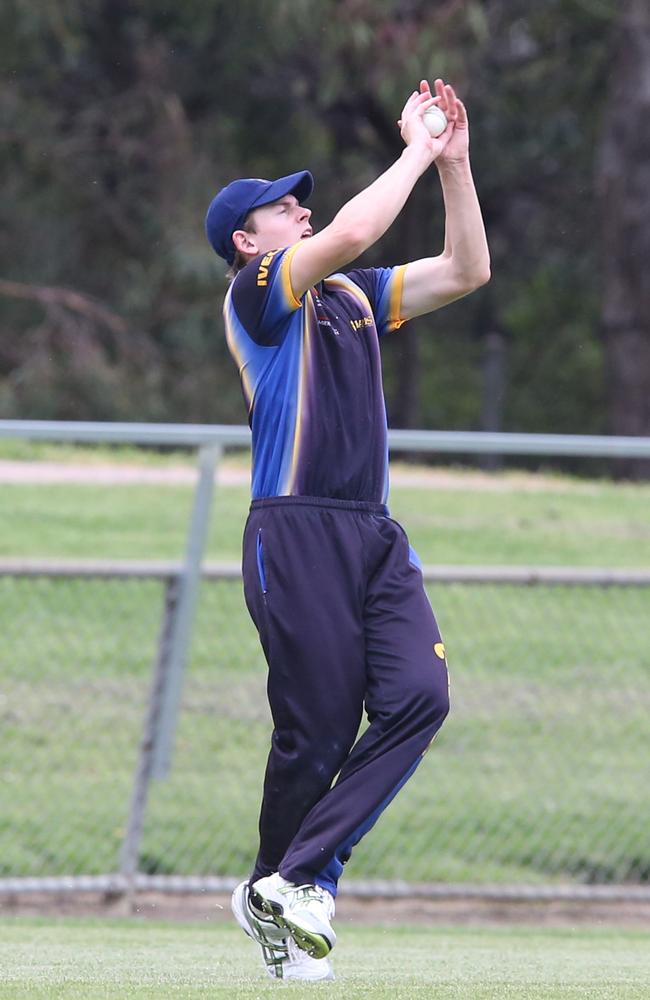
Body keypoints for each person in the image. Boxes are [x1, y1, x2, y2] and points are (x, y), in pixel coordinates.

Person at [204, 78, 490, 982]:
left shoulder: (356, 298)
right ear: (250, 242)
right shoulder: (257, 295)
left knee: (421, 697)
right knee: (318, 733)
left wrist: (455, 164)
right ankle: (283, 890)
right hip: (294, 530)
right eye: (284, 211)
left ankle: (292, 884)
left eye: (301, 205)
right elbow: (359, 229)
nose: (303, 212)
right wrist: (411, 147)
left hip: (370, 532)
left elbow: (467, 270)